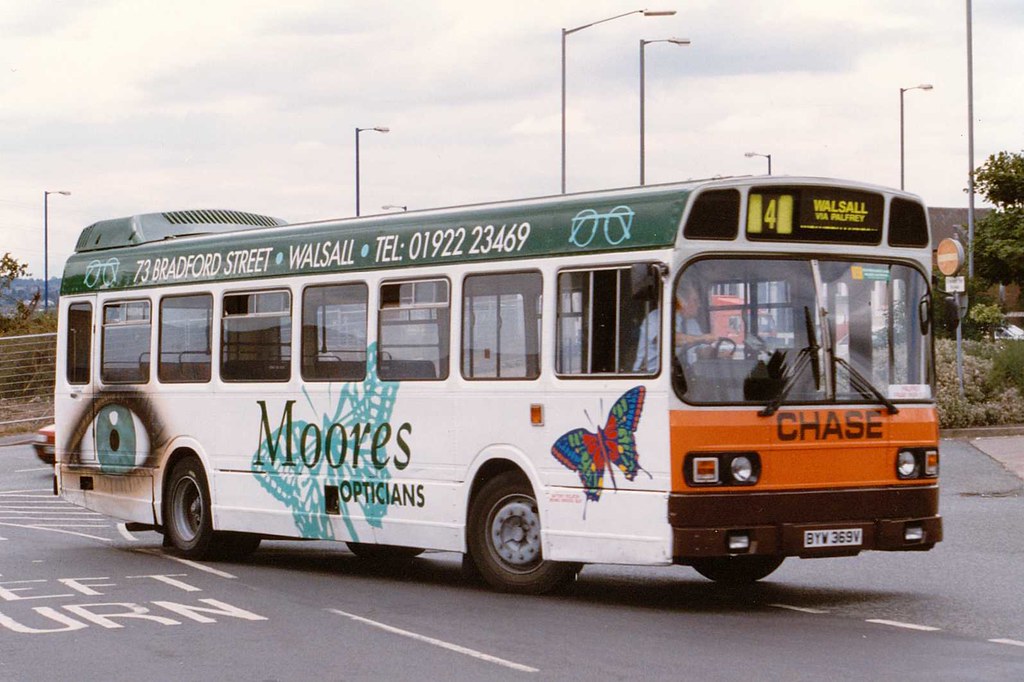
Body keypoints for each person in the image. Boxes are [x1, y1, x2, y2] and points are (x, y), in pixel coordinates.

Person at [632, 280, 716, 372]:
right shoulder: (656, 317)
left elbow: (701, 351)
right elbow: (668, 340)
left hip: (682, 372)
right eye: (695, 301)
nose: (699, 305)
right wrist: (701, 338)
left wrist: (717, 352)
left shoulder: (692, 323)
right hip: (651, 373)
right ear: (682, 301)